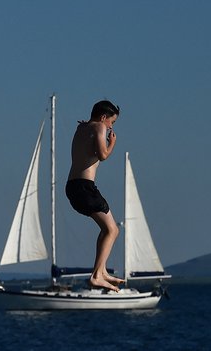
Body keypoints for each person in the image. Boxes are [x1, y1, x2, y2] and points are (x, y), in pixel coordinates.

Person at [65, 100, 124, 292]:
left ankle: (101, 271)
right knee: (112, 230)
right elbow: (103, 154)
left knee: (107, 229)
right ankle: (97, 275)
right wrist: (111, 142)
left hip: (73, 187)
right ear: (104, 117)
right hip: (85, 188)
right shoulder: (99, 126)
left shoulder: (82, 127)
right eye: (111, 123)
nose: (110, 127)